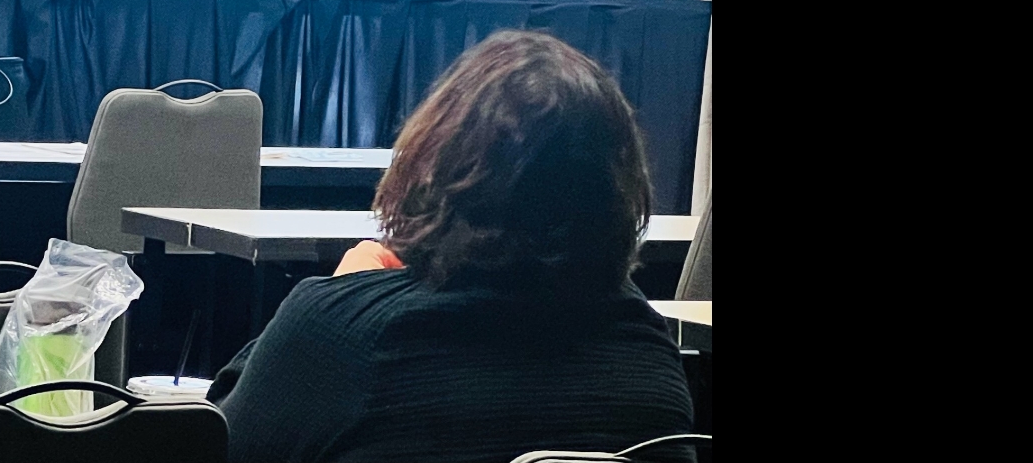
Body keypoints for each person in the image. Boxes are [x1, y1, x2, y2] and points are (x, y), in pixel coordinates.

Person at [208, 30, 697, 463]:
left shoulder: (350, 336)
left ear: (435, 169)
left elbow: (213, 442)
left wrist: (348, 298)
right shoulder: (648, 353)